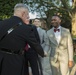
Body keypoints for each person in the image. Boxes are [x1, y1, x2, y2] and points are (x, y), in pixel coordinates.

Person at [0, 3, 44, 75]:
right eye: (27, 14)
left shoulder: (1, 24)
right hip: (15, 62)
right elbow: (35, 45)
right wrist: (42, 53)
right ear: (23, 13)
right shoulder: (26, 28)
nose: (27, 16)